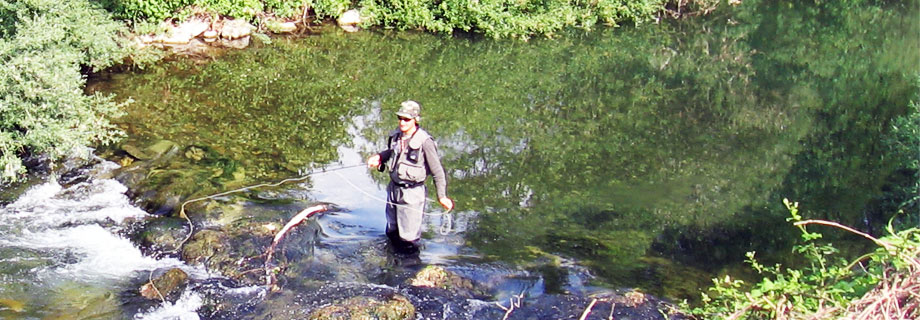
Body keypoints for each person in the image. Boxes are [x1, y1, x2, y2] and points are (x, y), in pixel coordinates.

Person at [366, 100, 454, 254]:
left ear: (415, 120)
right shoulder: (395, 136)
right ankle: (391, 261)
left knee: (408, 238)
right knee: (392, 230)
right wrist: (380, 157)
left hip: (412, 193)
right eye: (400, 118)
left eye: (407, 119)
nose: (402, 122)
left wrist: (442, 196)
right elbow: (391, 153)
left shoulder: (425, 142)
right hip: (393, 189)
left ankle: (410, 269)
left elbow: (438, 171)